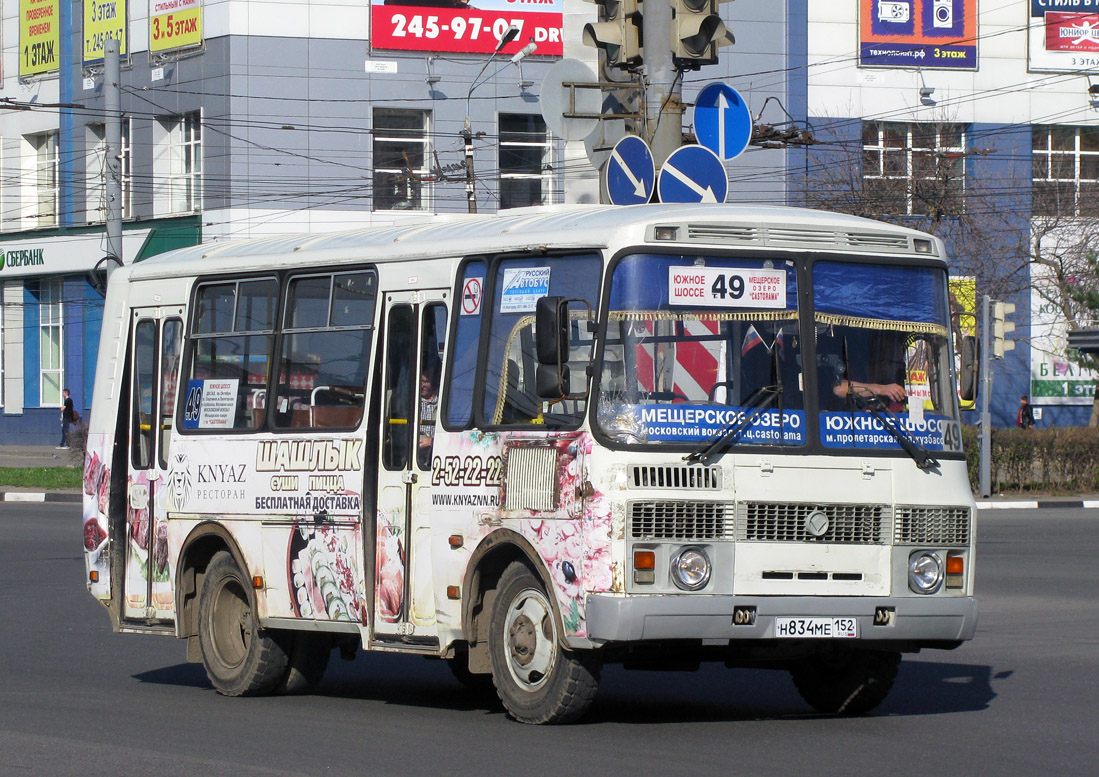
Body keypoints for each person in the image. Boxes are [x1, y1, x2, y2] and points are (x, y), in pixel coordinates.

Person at [417, 361, 440, 468]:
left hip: (437, 457)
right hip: (414, 457)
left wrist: (432, 441)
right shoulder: (410, 403)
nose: (422, 386)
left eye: (426, 382)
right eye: (421, 381)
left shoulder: (443, 402)